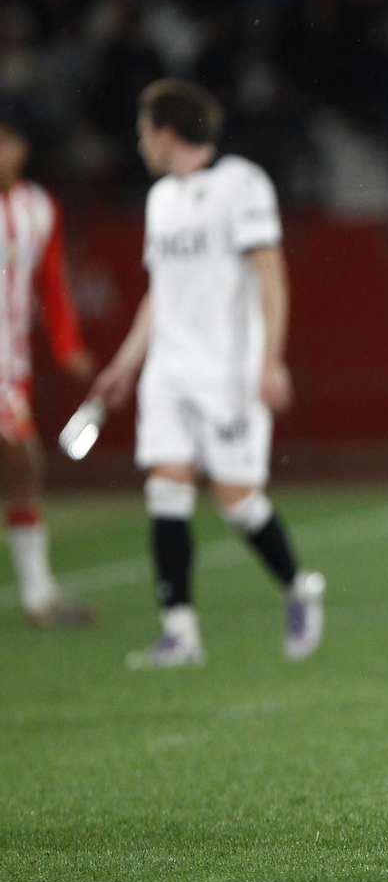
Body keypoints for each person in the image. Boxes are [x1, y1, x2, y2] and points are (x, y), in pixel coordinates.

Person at [89, 79, 323, 668]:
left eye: (144, 130)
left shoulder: (240, 184)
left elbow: (270, 275)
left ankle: (299, 586)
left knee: (237, 499)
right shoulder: (160, 199)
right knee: (165, 491)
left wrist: (271, 360)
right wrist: (123, 365)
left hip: (228, 372)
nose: (140, 142)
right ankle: (180, 633)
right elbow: (158, 293)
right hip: (167, 370)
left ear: (167, 133)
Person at [0, 119, 97, 629]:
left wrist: (67, 345)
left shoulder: (39, 209)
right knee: (23, 462)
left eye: (7, 142)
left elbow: (51, 282)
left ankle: (39, 594)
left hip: (11, 368)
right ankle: (38, 594)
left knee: (21, 469)